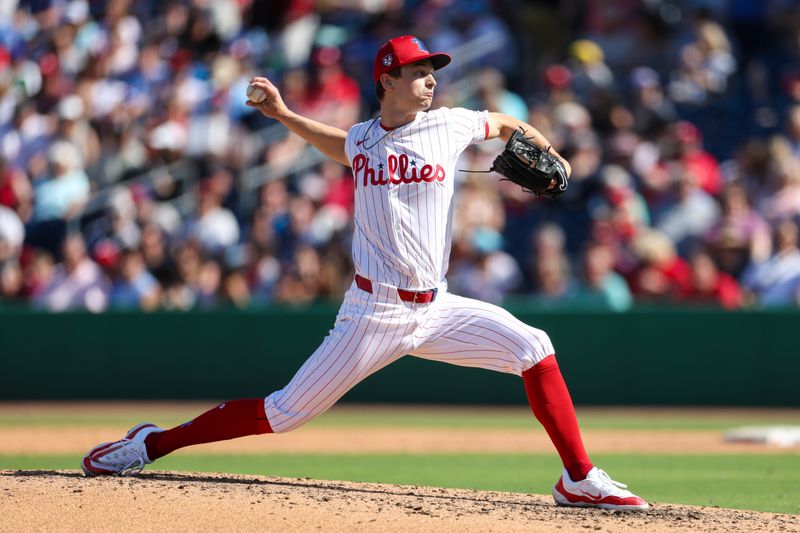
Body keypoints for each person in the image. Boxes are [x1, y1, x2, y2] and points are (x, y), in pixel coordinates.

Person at [81, 35, 649, 511]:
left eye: (431, 71)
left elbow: (503, 124)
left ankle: (578, 478)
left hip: (437, 307)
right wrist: (282, 116)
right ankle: (151, 445)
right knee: (282, 414)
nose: (430, 80)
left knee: (535, 346)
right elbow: (340, 145)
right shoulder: (363, 138)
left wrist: (550, 149)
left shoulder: (450, 125)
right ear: (387, 80)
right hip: (372, 313)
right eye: (418, 72)